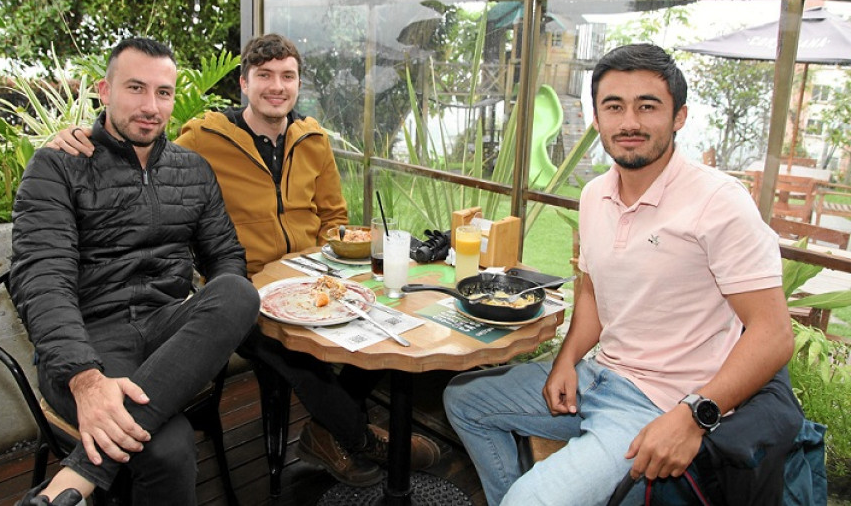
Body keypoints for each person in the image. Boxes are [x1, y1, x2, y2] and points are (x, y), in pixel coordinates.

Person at [47, 33, 440, 487]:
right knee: (294, 352)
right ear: (244, 84)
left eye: (287, 76)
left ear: (298, 84)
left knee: (377, 326)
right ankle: (359, 437)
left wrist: (335, 252)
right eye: (265, 76)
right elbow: (145, 146)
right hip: (246, 285)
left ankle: (323, 431)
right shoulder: (206, 139)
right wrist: (78, 135)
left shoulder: (313, 139)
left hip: (315, 281)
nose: (277, 86)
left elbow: (334, 217)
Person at [443, 43, 797, 505]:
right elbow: (592, 292)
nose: (629, 122)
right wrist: (565, 361)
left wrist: (693, 415)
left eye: (647, 106)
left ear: (679, 117)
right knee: (463, 399)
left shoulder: (718, 202)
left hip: (659, 402)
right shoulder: (594, 195)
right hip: (597, 376)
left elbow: (773, 334)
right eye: (614, 107)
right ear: (596, 118)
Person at [11, 38, 259, 506]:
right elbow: (43, 282)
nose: (151, 106)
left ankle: (76, 480)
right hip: (90, 340)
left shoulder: (193, 169)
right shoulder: (57, 166)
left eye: (163, 93)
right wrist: (84, 378)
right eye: (136, 88)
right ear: (104, 91)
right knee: (166, 449)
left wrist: (203, 335)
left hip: (169, 330)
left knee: (238, 293)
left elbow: (226, 257)